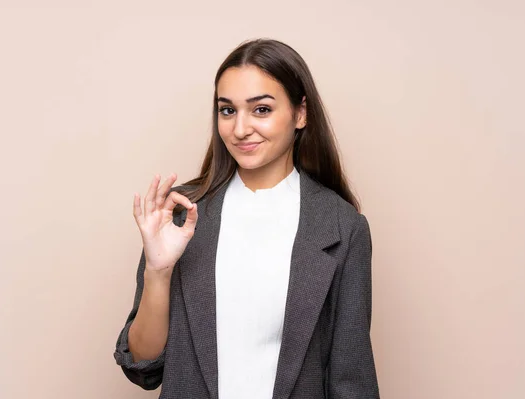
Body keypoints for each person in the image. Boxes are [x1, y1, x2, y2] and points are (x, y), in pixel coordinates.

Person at [113, 38, 380, 399]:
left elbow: (353, 380)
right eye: (227, 110)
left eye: (261, 110)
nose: (239, 130)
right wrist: (158, 272)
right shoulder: (182, 214)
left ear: (301, 113)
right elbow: (143, 367)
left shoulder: (341, 227)